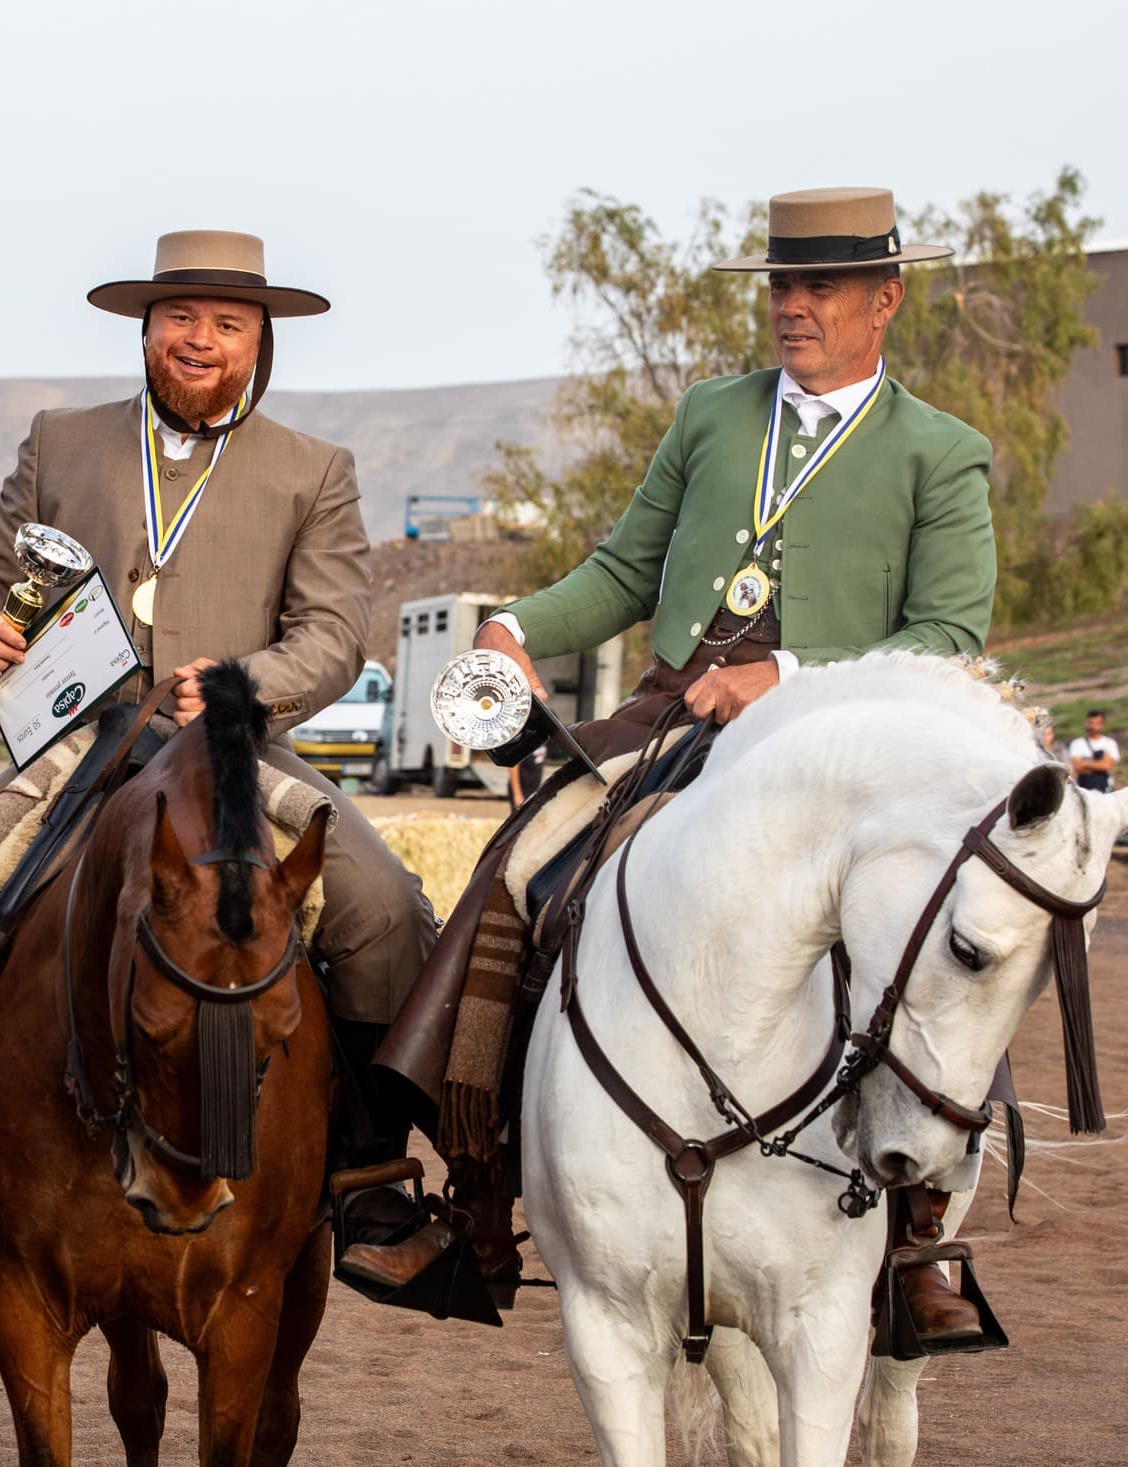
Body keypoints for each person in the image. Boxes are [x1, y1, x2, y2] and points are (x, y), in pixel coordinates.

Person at [365, 187, 1002, 1344]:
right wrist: (517, 623)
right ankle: (476, 1209)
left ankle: (917, 1240)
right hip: (668, 718)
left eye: (819, 288)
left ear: (884, 301)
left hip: (836, 745)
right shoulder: (714, 415)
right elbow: (619, 574)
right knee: (520, 871)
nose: (793, 308)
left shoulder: (939, 453)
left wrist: (790, 671)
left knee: (925, 933)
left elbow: (951, 635)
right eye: (781, 286)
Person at [0, 231, 437, 1328]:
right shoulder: (60, 441)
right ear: (145, 329)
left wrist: (241, 686)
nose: (199, 339)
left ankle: (367, 1181)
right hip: (77, 753)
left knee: (376, 910)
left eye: (227, 324)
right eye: (180, 316)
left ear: (258, 344)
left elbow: (334, 635)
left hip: (233, 751)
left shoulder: (312, 469)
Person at [1067, 710, 1120, 791]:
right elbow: (1077, 767)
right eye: (1090, 723)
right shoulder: (1077, 743)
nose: (1093, 726)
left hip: (1106, 789)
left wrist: (1085, 762)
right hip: (1084, 789)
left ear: (1102, 725)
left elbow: (1107, 766)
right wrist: (1100, 763)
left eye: (1096, 723)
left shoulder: (1110, 743)